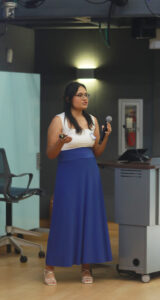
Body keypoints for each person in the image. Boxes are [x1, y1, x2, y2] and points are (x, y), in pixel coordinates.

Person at [44, 81, 112, 285]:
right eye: (79, 94)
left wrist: (106, 136)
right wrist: (60, 142)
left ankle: (85, 268)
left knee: (89, 219)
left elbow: (97, 151)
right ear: (68, 98)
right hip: (68, 174)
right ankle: (49, 268)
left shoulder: (93, 120)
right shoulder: (59, 120)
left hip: (90, 176)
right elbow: (50, 154)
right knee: (64, 218)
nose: (85, 98)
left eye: (86, 94)